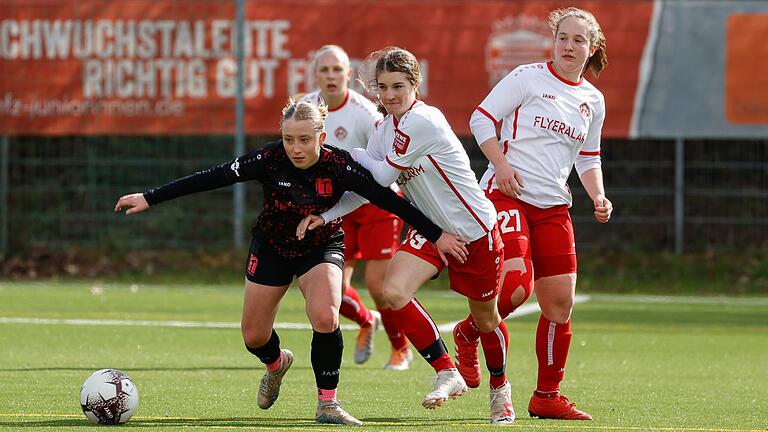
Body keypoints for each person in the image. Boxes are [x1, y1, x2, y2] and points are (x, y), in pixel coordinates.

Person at [113, 99, 469, 426]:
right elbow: (213, 176)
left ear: (321, 136)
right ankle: (276, 364)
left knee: (326, 315)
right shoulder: (268, 160)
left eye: (303, 140)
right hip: (271, 247)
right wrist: (151, 197)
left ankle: (327, 403)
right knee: (254, 336)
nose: (295, 148)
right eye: (288, 139)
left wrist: (437, 234)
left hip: (321, 246)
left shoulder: (339, 164)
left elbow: (389, 201)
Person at [298, 47, 515, 424]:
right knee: (393, 291)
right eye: (382, 87)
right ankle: (447, 372)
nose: (390, 94)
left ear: (415, 84)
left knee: (486, 320)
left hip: (476, 231)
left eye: (398, 85)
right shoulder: (385, 128)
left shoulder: (423, 120)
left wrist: (343, 154)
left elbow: (380, 175)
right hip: (431, 231)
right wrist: (327, 214)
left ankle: (501, 389)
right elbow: (371, 190)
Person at [459, 6, 613, 421]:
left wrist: (598, 196)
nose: (569, 45)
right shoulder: (528, 77)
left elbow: (588, 156)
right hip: (507, 194)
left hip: (553, 207)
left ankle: (547, 396)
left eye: (579, 40)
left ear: (591, 47)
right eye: (563, 37)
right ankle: (469, 332)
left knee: (560, 303)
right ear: (554, 41)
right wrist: (502, 167)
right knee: (513, 287)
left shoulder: (592, 100)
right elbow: (481, 119)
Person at [301, 45, 412, 370]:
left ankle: (400, 348)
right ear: (316, 75)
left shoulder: (365, 112)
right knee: (333, 288)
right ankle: (366, 320)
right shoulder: (306, 109)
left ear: (348, 75)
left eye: (338, 69)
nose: (331, 76)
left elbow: (386, 160)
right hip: (334, 206)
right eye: (325, 70)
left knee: (378, 285)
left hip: (376, 202)